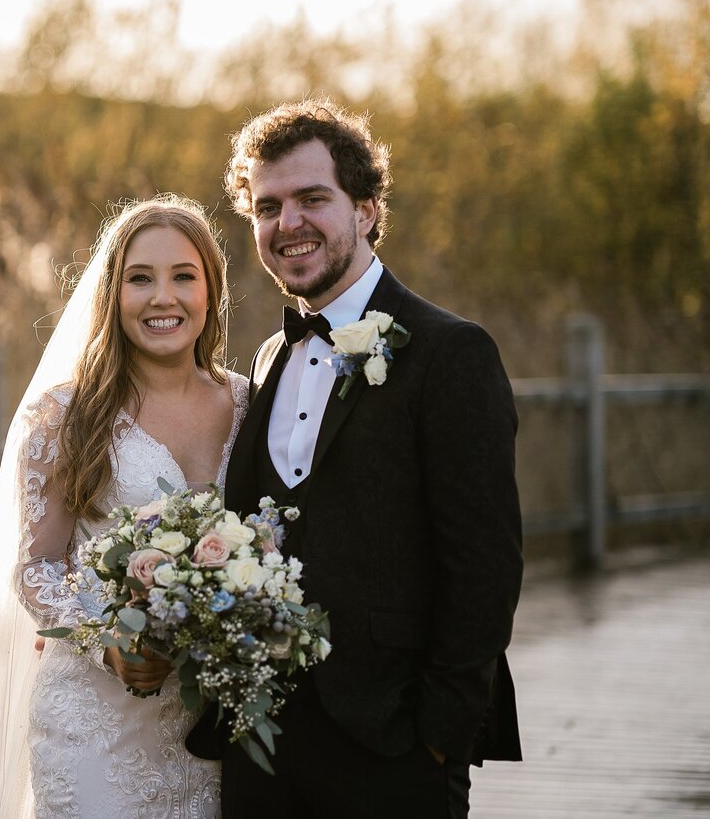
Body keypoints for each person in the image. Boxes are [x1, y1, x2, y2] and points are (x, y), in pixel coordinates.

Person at [186, 98, 522, 817]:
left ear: (367, 209)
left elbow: (485, 563)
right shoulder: (272, 354)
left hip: (393, 746)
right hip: (261, 742)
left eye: (313, 198)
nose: (288, 224)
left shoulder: (450, 353)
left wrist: (440, 738)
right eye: (268, 207)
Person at [0, 195, 250, 818]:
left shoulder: (249, 403)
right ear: (112, 295)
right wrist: (109, 643)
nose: (164, 297)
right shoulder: (68, 415)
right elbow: (36, 568)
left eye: (184, 276)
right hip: (96, 723)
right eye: (140, 279)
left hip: (210, 726)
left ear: (211, 291)